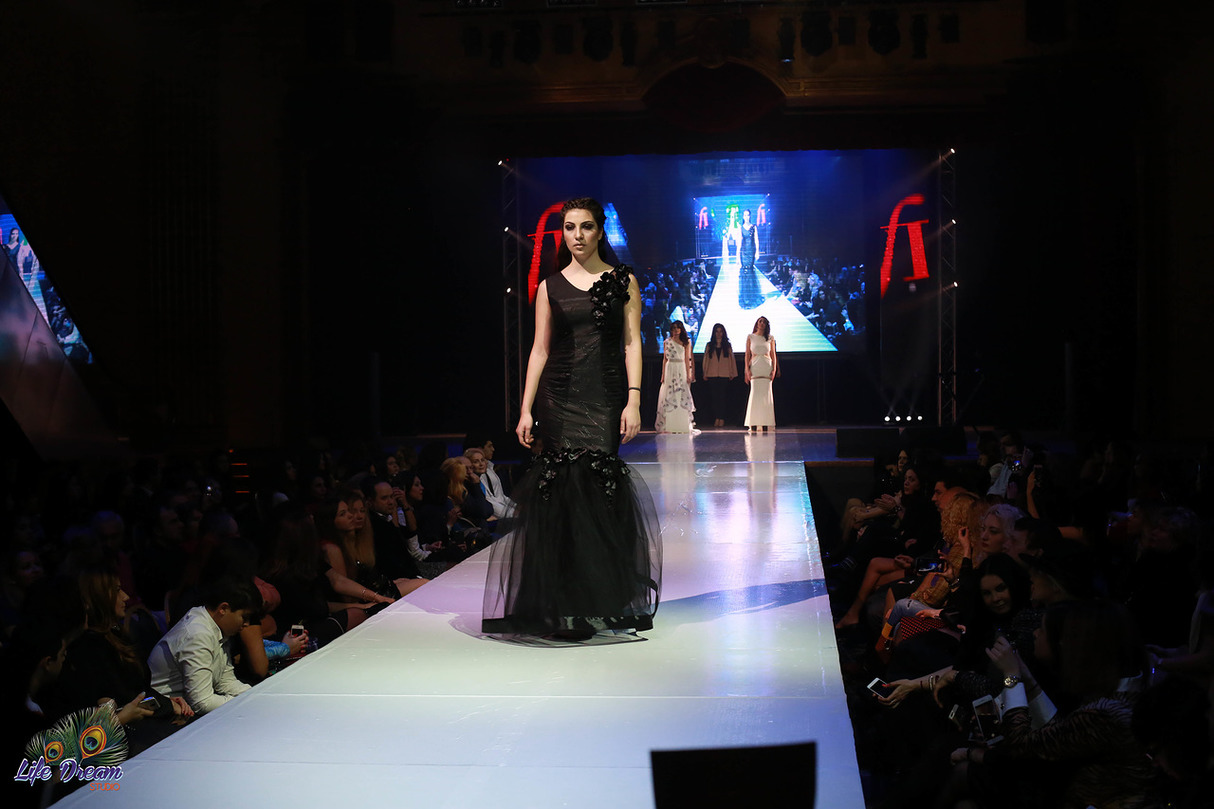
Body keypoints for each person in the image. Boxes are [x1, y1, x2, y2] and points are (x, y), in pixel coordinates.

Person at [483, 196, 661, 639]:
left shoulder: (623, 280)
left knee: (597, 493)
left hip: (605, 397)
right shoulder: (550, 286)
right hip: (558, 398)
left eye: (585, 227)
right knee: (561, 496)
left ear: (600, 231)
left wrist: (634, 399)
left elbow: (632, 343)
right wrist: (525, 409)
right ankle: (564, 602)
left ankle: (598, 597)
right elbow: (539, 350)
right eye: (569, 227)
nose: (577, 235)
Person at [655, 319, 696, 433]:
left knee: (681, 393)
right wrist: (663, 374)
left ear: (681, 329)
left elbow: (687, 359)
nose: (676, 330)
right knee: (669, 393)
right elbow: (665, 359)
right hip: (670, 368)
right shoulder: (667, 342)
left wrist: (689, 374)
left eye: (678, 328)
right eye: (674, 328)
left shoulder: (686, 342)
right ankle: (669, 424)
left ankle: (682, 424)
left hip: (680, 367)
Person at [744, 316, 777, 432]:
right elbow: (747, 355)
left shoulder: (770, 338)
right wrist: (747, 370)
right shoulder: (751, 337)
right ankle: (753, 423)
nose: (762, 324)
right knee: (755, 394)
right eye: (760, 321)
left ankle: (765, 423)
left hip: (766, 366)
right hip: (755, 366)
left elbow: (773, 355)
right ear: (757, 323)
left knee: (766, 395)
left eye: (764, 322)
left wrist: (774, 369)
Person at [701, 322, 737, 428]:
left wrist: (732, 372)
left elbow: (731, 360)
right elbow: (706, 360)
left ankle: (721, 418)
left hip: (724, 374)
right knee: (714, 398)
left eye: (721, 331)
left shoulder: (727, 345)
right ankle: (716, 417)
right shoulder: (709, 345)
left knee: (722, 397)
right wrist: (705, 373)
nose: (719, 333)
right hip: (712, 374)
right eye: (717, 331)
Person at [737, 208, 764, 309]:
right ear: (743, 216)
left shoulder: (754, 227)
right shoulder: (740, 228)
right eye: (745, 215)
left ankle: (752, 298)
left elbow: (756, 240)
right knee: (745, 273)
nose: (746, 217)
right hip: (743, 253)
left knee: (750, 272)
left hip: (751, 252)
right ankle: (746, 298)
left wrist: (757, 252)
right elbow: (739, 243)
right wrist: (737, 257)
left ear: (750, 216)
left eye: (748, 215)